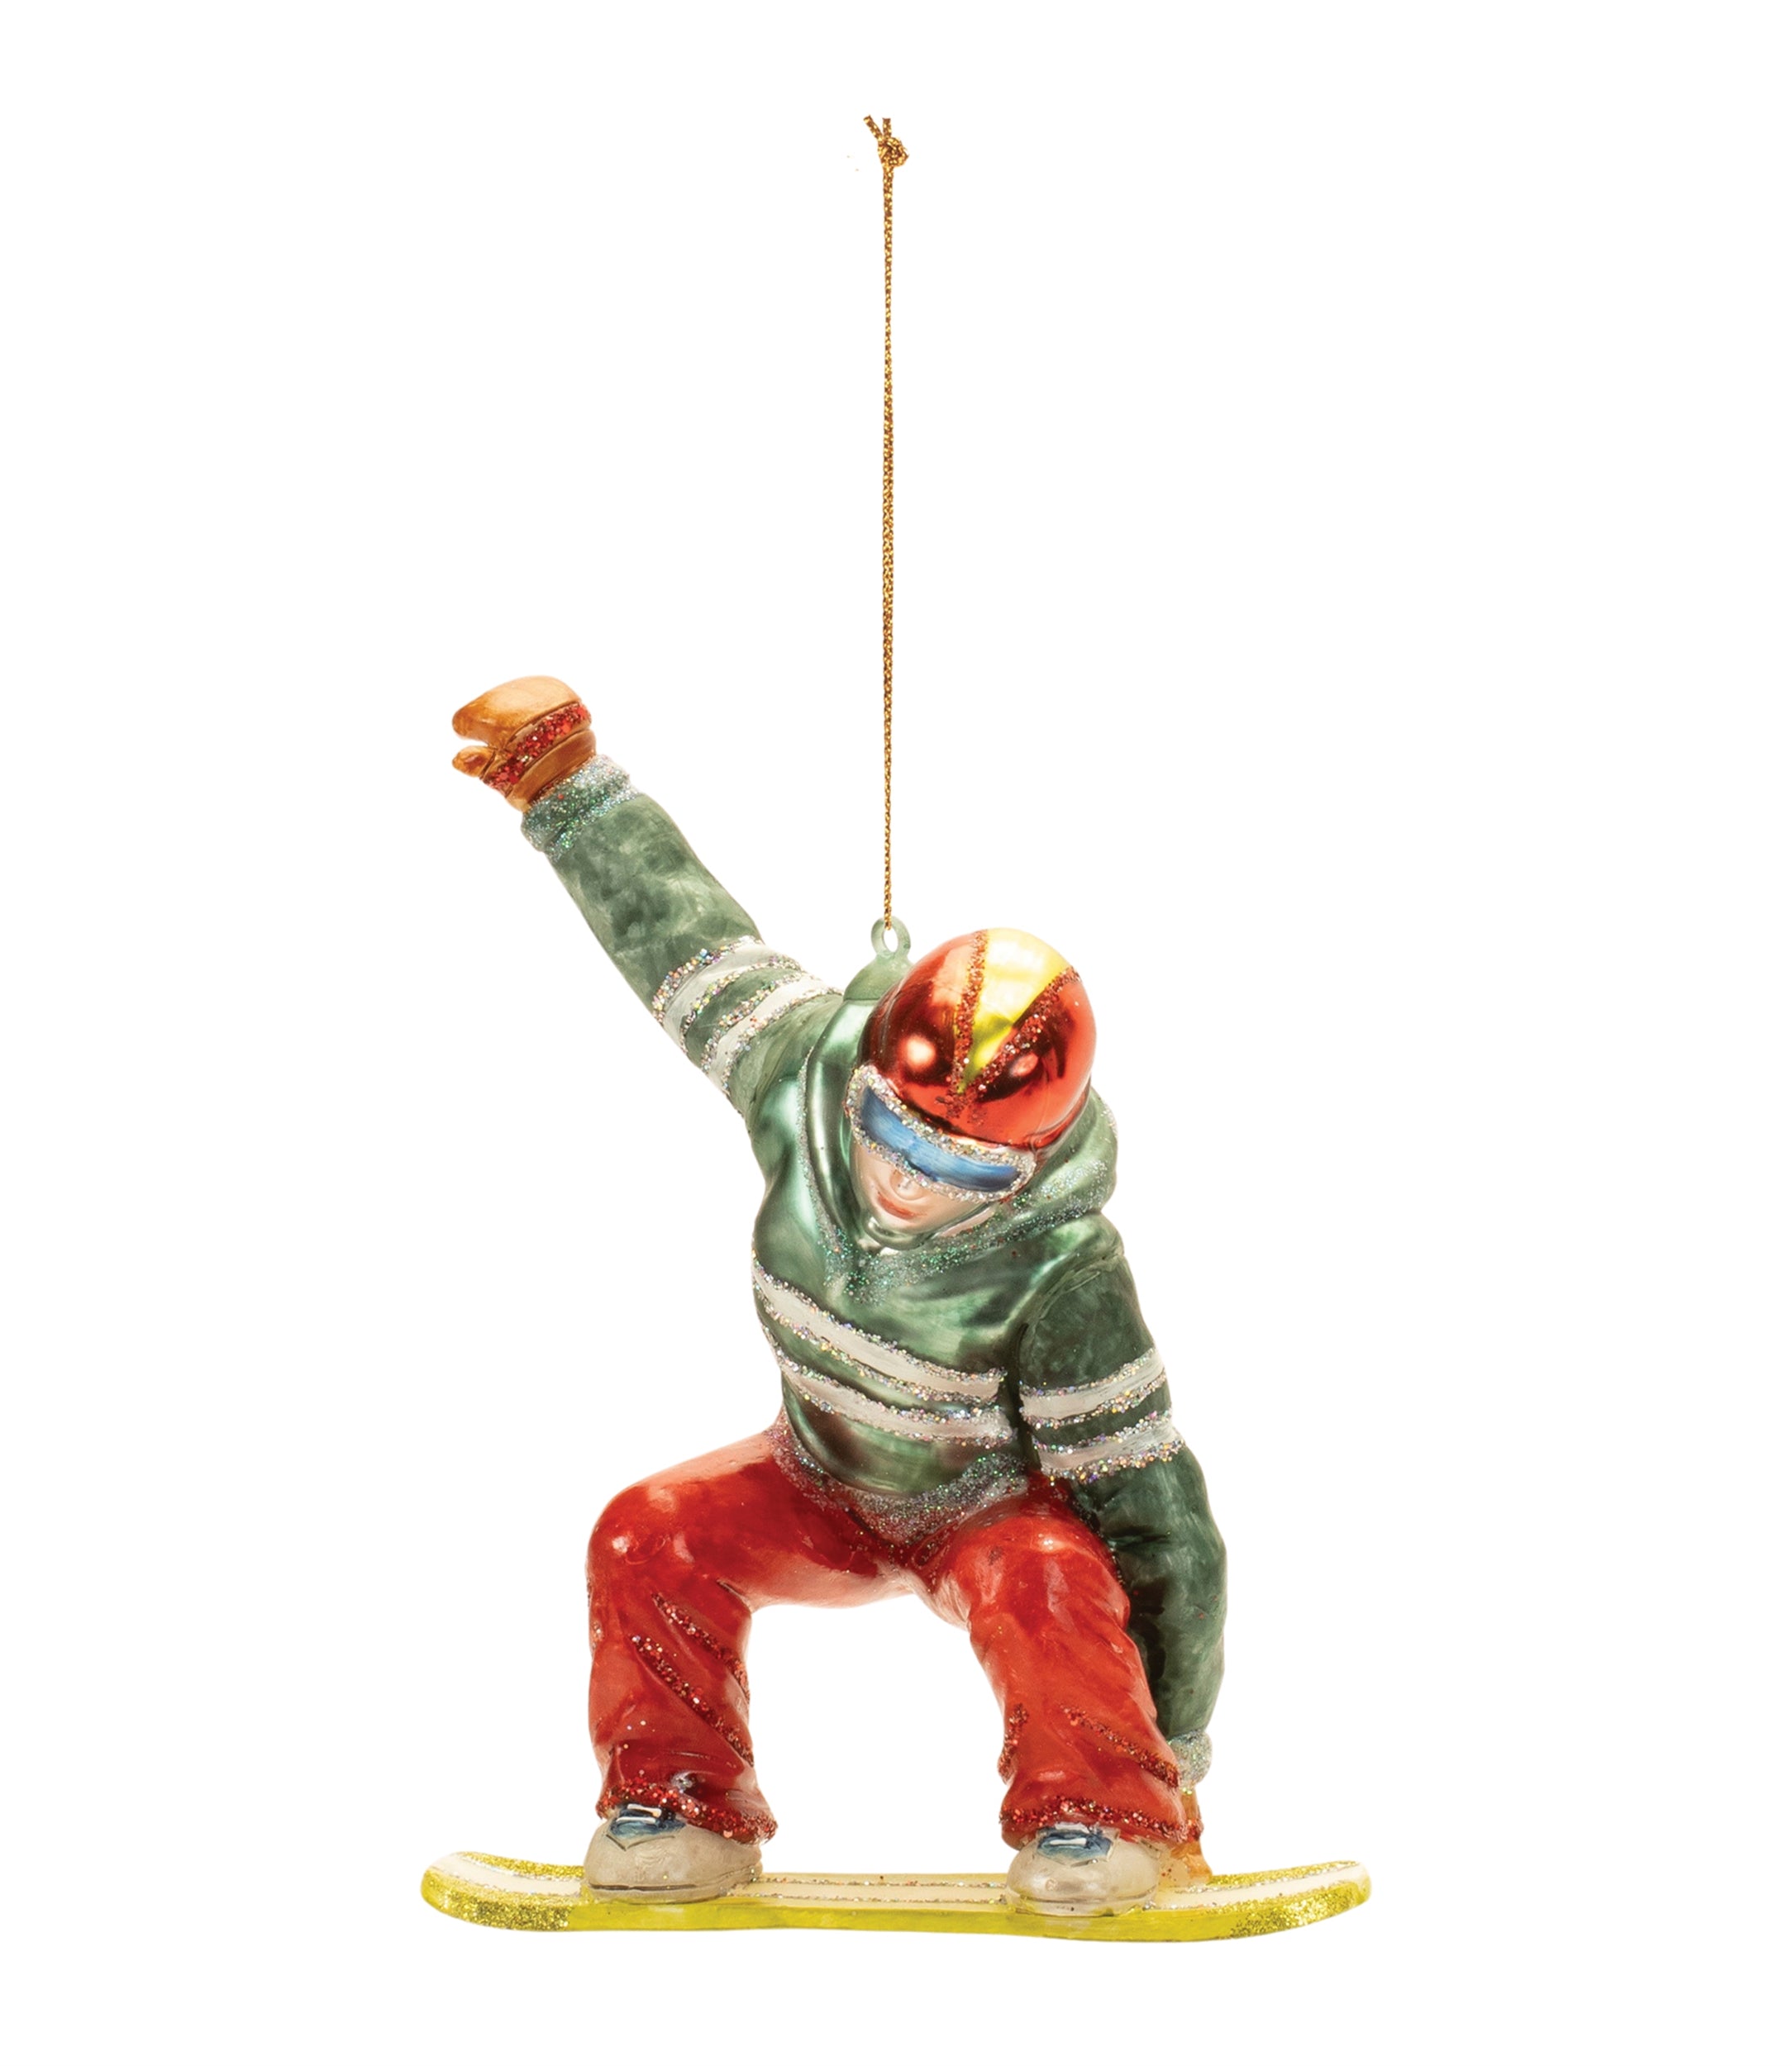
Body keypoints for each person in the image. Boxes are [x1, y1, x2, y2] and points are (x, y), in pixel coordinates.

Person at [451, 676, 1228, 1915]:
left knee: (1049, 1575)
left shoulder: (1067, 1269)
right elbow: (681, 937)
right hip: (815, 1480)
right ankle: (679, 1804)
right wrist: (565, 787)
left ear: (1029, 1168)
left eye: (964, 1171)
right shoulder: (801, 1075)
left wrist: (1171, 1757)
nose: (908, 1182)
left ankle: (1099, 1817)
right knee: (649, 1532)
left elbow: (1155, 1514)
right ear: (862, 1080)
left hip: (981, 1510)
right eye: (893, 1132)